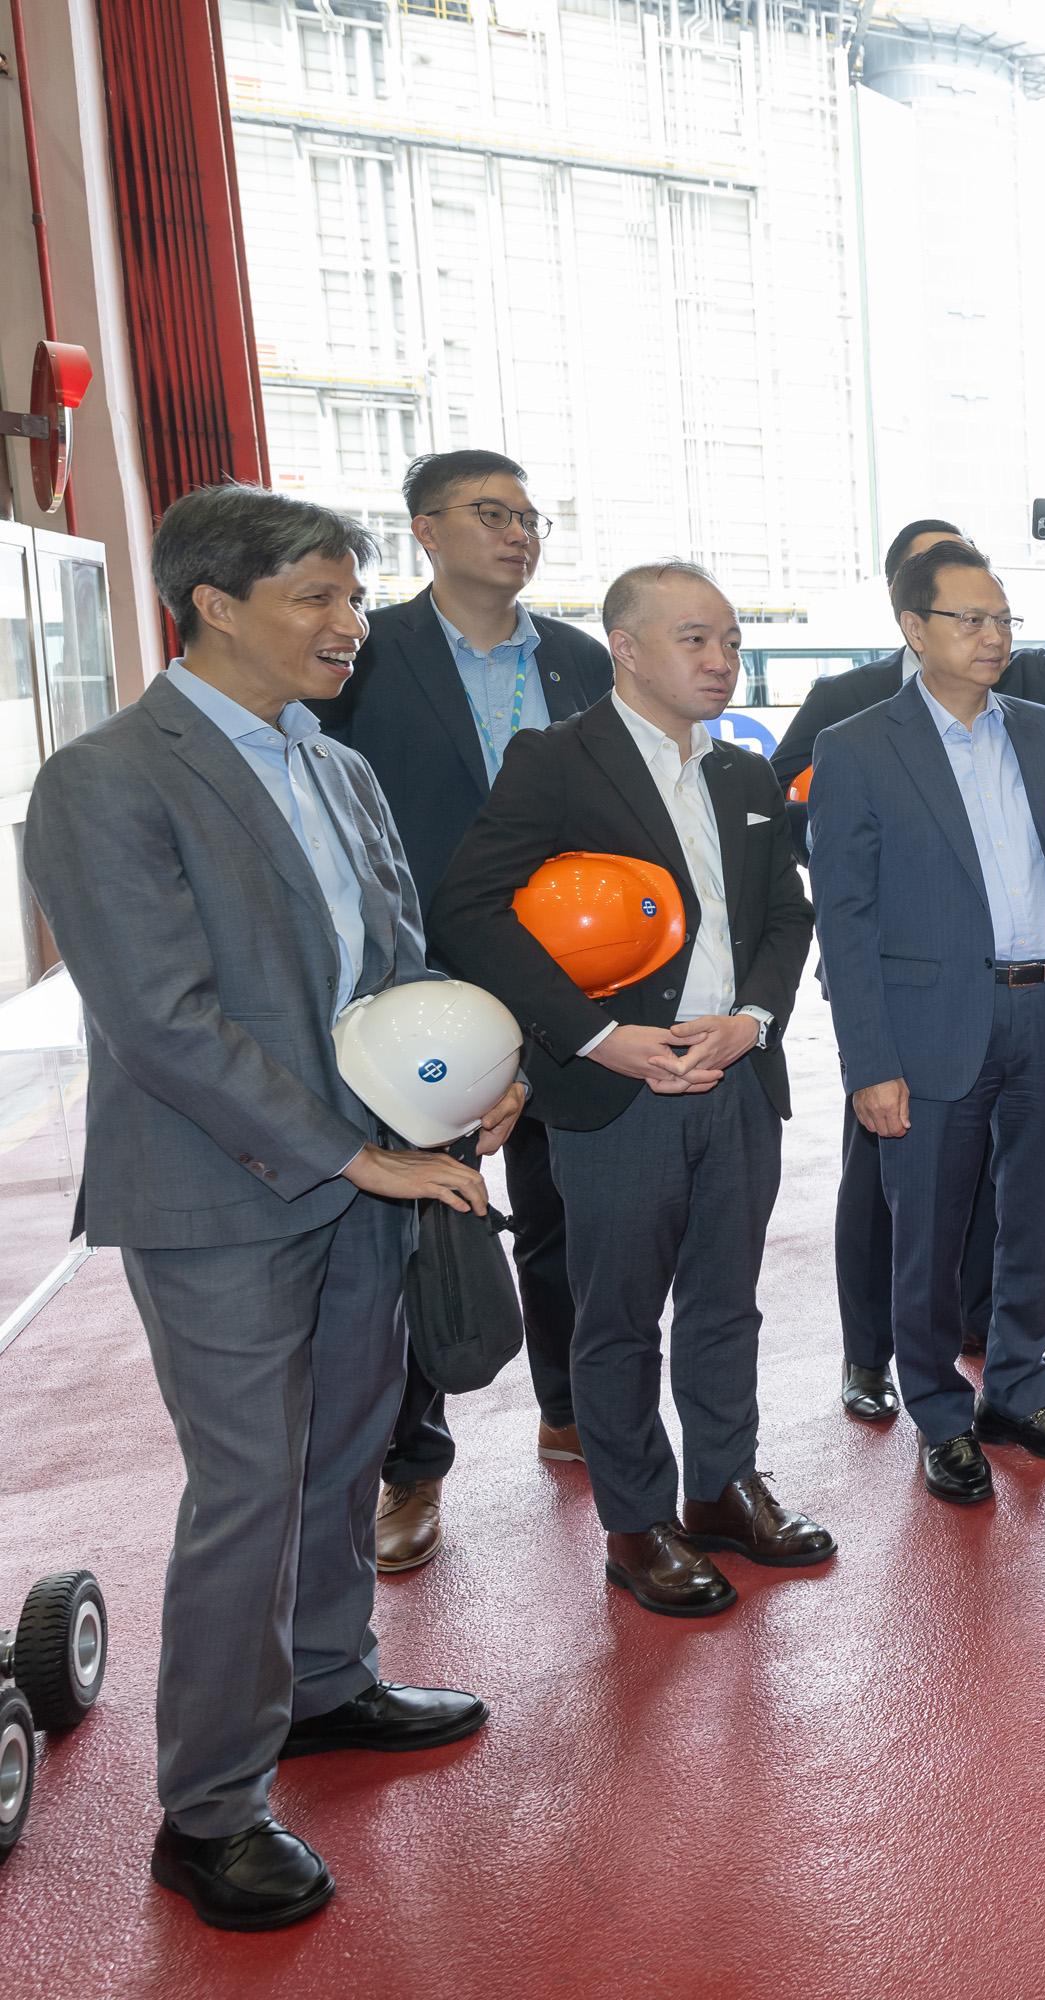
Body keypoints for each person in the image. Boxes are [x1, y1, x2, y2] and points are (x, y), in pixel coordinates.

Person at [26, 485, 510, 1930]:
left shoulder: (334, 767)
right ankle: (210, 1810)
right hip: (219, 1195)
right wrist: (348, 1153)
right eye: (317, 598)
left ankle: (324, 1684)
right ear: (215, 603)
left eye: (353, 598)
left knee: (346, 1448)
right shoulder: (108, 779)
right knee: (247, 1486)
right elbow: (164, 1023)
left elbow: (395, 968)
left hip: (373, 1169)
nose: (350, 626)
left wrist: (465, 1080)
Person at [431, 562, 829, 1620]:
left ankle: (722, 1485)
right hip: (620, 1096)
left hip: (736, 1079)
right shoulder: (558, 763)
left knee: (724, 1301)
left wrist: (753, 1018)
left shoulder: (743, 775)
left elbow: (787, 918)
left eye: (733, 641)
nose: (721, 660)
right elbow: (470, 909)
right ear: (628, 646)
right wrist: (600, 1037)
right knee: (616, 1318)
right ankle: (636, 1520)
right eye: (697, 638)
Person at [770, 507, 1045, 1423]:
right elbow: (847, 922)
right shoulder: (855, 746)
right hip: (931, 1024)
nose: (994, 637)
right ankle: (940, 1414)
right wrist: (870, 1064)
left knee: (1032, 1222)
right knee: (928, 1240)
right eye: (970, 620)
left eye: (1003, 619)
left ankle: (1019, 1395)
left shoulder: (1040, 729)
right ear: (915, 629)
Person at [309, 448, 612, 1574]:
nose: (520, 532)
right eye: (492, 513)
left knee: (564, 1207)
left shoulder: (582, 661)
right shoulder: (363, 655)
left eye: (531, 515)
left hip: (567, 975)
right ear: (425, 531)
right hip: (419, 992)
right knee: (425, 1224)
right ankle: (412, 1467)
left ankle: (572, 1408)